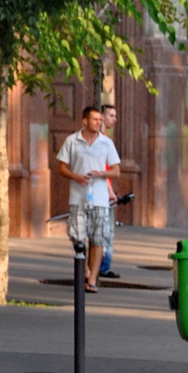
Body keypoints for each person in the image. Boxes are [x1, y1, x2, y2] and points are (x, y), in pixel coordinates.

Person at [55, 106, 120, 293]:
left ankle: (92, 279)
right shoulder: (72, 141)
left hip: (99, 199)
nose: (99, 123)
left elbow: (116, 171)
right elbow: (61, 167)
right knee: (77, 236)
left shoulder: (106, 143)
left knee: (98, 238)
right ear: (85, 121)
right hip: (78, 198)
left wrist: (102, 173)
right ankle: (85, 270)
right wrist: (75, 176)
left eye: (100, 120)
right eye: (95, 120)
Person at [98, 104, 119, 280]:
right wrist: (111, 192)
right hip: (103, 194)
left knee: (104, 231)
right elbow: (104, 171)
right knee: (105, 232)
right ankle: (103, 266)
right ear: (102, 117)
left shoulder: (103, 140)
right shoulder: (102, 141)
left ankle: (101, 265)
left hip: (105, 192)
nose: (114, 119)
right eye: (111, 115)